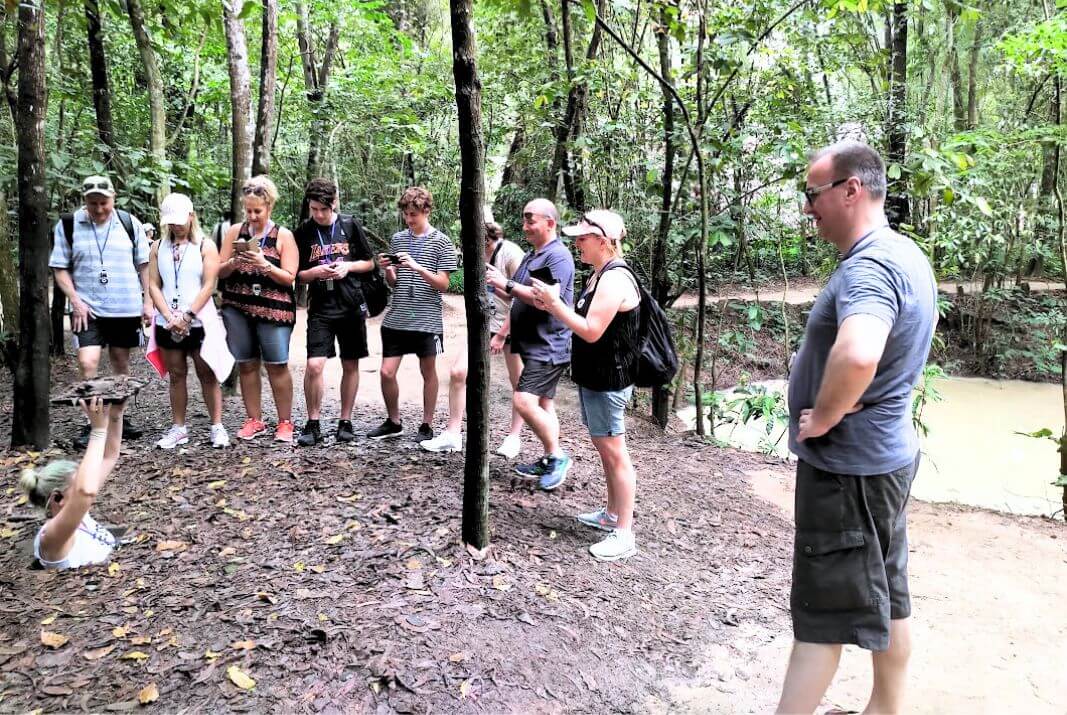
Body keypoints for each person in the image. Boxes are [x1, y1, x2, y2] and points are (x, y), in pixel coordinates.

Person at [775, 140, 937, 714]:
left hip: (849, 472)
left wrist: (824, 415)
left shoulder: (870, 266)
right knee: (889, 598)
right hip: (884, 461)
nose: (806, 207)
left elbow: (861, 351)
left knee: (822, 618)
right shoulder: (904, 254)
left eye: (811, 193)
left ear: (851, 189)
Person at [531, 210, 640, 561]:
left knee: (614, 452)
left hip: (610, 380)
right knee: (604, 447)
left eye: (582, 238)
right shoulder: (598, 275)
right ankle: (610, 515)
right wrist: (552, 303)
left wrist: (554, 304)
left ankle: (624, 532)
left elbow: (591, 330)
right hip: (596, 377)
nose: (576, 243)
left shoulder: (614, 279)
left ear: (604, 240)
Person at [50, 175, 151, 446]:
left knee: (121, 363)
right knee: (88, 362)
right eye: (92, 203)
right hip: (87, 309)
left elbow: (144, 265)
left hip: (125, 306)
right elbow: (60, 268)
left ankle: (117, 419)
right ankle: (94, 422)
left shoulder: (131, 224)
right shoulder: (69, 224)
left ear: (113, 198)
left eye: (103, 203)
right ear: (84, 201)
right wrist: (75, 300)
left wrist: (148, 302)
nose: (98, 209)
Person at [485, 198, 575, 490]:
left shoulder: (557, 256)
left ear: (550, 222)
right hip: (533, 342)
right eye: (524, 220)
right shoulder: (534, 255)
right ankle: (550, 457)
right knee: (544, 403)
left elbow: (545, 299)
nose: (524, 227)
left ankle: (559, 456)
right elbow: (518, 295)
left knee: (523, 400)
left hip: (550, 344)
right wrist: (497, 282)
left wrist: (507, 283)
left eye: (530, 220)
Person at [419, 210, 526, 455]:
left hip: (513, 324)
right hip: (484, 325)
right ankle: (453, 433)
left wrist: (502, 333)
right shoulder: (472, 251)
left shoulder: (510, 254)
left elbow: (521, 298)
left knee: (518, 381)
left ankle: (513, 437)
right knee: (458, 372)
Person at [369, 187, 458, 441]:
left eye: (414, 215)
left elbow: (443, 284)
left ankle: (426, 425)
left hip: (427, 318)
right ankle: (393, 421)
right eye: (406, 214)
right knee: (387, 371)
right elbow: (394, 283)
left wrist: (417, 266)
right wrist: (388, 269)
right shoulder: (398, 239)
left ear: (426, 211)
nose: (409, 220)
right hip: (397, 316)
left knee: (428, 371)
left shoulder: (442, 242)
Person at [217, 175, 300, 442]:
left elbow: (290, 277)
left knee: (277, 365)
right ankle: (254, 419)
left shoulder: (282, 235)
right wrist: (233, 262)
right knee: (247, 364)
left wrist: (264, 263)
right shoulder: (234, 232)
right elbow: (218, 270)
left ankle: (285, 422)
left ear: (269, 207)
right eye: (248, 210)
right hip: (238, 306)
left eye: (257, 211)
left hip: (274, 309)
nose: (252, 216)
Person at [294, 178, 376, 446]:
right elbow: (296, 275)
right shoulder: (304, 231)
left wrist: (348, 267)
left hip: (351, 306)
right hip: (321, 308)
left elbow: (370, 263)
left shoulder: (350, 225)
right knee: (314, 364)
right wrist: (313, 272)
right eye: (314, 209)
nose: (318, 214)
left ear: (334, 204)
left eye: (323, 209)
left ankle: (345, 421)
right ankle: (313, 422)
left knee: (350, 363)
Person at [146, 193, 229, 449]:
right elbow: (153, 284)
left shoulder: (205, 245)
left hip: (198, 320)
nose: (176, 225)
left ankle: (216, 426)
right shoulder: (158, 247)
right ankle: (179, 428)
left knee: (206, 374)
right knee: (176, 375)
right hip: (167, 321)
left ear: (191, 216)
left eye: (180, 220)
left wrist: (188, 315)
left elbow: (209, 285)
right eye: (171, 221)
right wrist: (170, 317)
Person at [19, 397, 124, 569]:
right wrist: (97, 431)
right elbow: (86, 491)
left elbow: (109, 456)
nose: (89, 482)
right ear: (58, 498)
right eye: (78, 485)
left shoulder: (80, 514)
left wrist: (115, 414)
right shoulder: (51, 538)